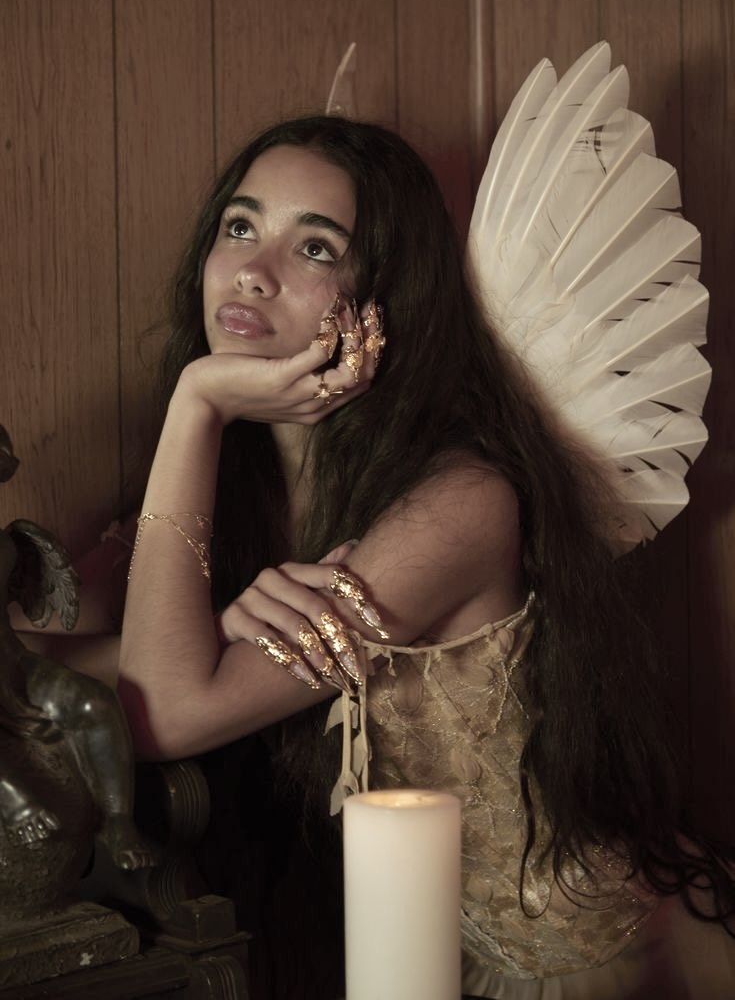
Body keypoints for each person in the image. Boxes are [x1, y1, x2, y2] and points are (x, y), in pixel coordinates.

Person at [19, 114, 735, 997]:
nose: (251, 267)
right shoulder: (218, 502)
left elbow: (161, 706)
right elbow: (40, 681)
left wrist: (197, 400)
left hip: (577, 962)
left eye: (314, 247)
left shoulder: (463, 504)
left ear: (382, 302)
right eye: (238, 226)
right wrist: (204, 631)